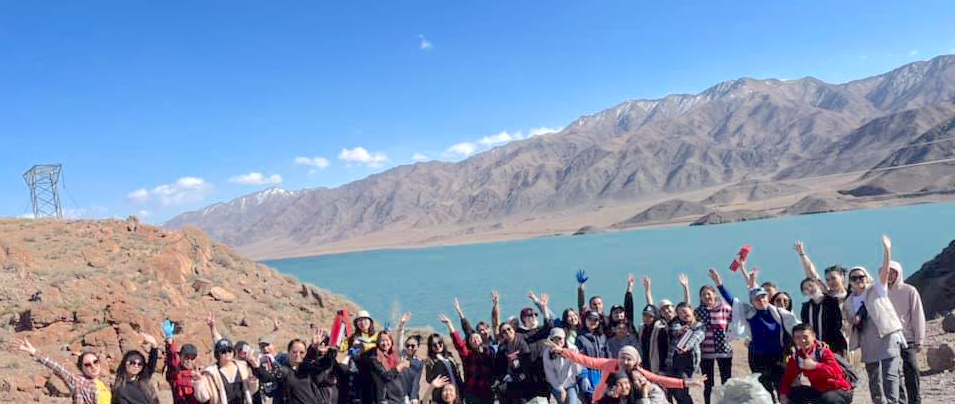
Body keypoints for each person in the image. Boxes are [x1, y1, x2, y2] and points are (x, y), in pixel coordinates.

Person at [711, 263, 799, 402]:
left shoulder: (780, 313)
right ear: (752, 302)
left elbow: (798, 326)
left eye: (763, 297)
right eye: (757, 299)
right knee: (764, 389)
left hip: (778, 357)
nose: (761, 300)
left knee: (783, 388)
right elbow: (732, 301)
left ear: (767, 298)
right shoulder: (749, 313)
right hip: (757, 357)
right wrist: (719, 284)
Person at [843, 236, 907, 404]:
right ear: (849, 282)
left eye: (861, 276)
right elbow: (849, 320)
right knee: (874, 378)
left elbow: (885, 270)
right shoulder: (849, 301)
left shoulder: (877, 289)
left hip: (886, 336)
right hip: (867, 341)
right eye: (854, 278)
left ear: (867, 277)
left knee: (890, 375)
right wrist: (853, 320)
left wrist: (887, 249)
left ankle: (894, 402)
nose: (858, 280)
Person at [545, 342, 704, 402]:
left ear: (635, 361)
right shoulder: (610, 364)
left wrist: (687, 383)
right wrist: (563, 351)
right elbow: (584, 360)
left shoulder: (638, 372)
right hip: (603, 399)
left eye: (629, 359)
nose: (625, 362)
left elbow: (660, 379)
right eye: (622, 358)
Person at [249, 327, 341, 404]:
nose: (298, 355)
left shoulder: (307, 368)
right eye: (294, 352)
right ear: (288, 353)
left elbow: (325, 364)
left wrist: (332, 349)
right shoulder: (284, 371)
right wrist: (256, 366)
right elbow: (267, 377)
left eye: (301, 352)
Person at [16, 337, 112, 404]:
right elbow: (58, 368)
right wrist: (34, 352)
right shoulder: (79, 382)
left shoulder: (102, 384)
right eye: (87, 364)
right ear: (82, 369)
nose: (93, 366)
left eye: (95, 362)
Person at [778, 324, 853, 404]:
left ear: (813, 336)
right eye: (798, 338)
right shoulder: (797, 357)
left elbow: (837, 374)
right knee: (792, 394)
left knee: (828, 399)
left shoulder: (823, 351)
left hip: (840, 390)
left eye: (805, 337)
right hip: (820, 390)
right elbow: (788, 377)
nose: (802, 340)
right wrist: (783, 394)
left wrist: (815, 366)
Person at [886, 260, 926, 404]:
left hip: (907, 338)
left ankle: (915, 401)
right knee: (893, 373)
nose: (890, 275)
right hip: (888, 339)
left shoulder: (909, 290)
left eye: (893, 272)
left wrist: (919, 339)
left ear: (898, 273)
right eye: (887, 272)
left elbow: (917, 315)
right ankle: (901, 401)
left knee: (912, 369)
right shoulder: (880, 292)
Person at [693, 278, 733, 404]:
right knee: (708, 384)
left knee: (726, 381)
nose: (706, 296)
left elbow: (735, 322)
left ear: (714, 294)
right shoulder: (698, 312)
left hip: (724, 351)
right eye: (703, 294)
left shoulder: (725, 308)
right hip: (706, 352)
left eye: (708, 293)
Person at [442, 313, 496, 404]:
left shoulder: (489, 352)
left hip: (487, 390)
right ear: (469, 343)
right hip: (472, 392)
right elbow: (458, 342)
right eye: (472, 339)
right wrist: (450, 325)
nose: (475, 340)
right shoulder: (467, 354)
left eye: (477, 338)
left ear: (481, 339)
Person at [195, 338, 260, 404]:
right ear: (217, 354)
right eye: (223, 351)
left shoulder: (242, 366)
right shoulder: (210, 373)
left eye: (229, 350)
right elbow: (203, 398)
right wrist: (198, 382)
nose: (227, 353)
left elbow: (251, 391)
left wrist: (253, 381)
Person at [798, 277, 847, 356]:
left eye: (811, 285)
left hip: (835, 348)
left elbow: (838, 325)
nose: (809, 289)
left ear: (819, 285)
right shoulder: (805, 308)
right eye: (805, 289)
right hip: (815, 349)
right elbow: (806, 328)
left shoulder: (833, 302)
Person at [667, 303, 705, 404]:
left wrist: (686, 347)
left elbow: (697, 337)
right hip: (672, 363)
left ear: (691, 310)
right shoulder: (678, 324)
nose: (683, 315)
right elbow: (674, 330)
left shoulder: (699, 326)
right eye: (679, 313)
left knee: (681, 392)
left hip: (687, 366)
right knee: (672, 390)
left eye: (684, 311)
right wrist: (680, 331)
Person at [362, 331, 413, 404]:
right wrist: (400, 366)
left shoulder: (395, 356)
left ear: (391, 341)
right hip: (385, 398)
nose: (385, 343)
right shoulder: (375, 358)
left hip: (399, 397)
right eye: (382, 341)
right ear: (378, 343)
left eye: (387, 340)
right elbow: (386, 376)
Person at [113, 333, 161, 404]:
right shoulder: (120, 389)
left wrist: (154, 344)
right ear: (125, 363)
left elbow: (152, 362)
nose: (136, 366)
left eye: (139, 364)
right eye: (132, 362)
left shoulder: (143, 381)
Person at [495, 321, 534, 404]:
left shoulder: (521, 342)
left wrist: (520, 375)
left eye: (508, 329)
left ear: (513, 329)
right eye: (504, 331)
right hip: (509, 378)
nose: (507, 332)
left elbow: (527, 361)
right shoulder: (501, 348)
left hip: (523, 377)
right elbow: (499, 366)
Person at [576, 310, 610, 403]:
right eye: (589, 319)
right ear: (585, 320)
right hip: (589, 373)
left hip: (603, 373)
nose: (592, 322)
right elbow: (579, 360)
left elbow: (608, 356)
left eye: (595, 320)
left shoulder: (603, 337)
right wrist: (584, 376)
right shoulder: (580, 338)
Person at [543, 328, 583, 404]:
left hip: (570, 384)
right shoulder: (547, 353)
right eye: (554, 339)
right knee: (562, 401)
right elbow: (550, 375)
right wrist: (561, 390)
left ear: (564, 338)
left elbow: (577, 371)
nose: (558, 341)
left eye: (560, 338)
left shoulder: (573, 349)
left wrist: (574, 360)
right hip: (556, 385)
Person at [424, 329, 463, 404]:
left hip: (455, 393)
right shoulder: (430, 361)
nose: (438, 346)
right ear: (430, 346)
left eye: (440, 343)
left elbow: (457, 374)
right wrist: (437, 382)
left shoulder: (449, 356)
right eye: (434, 345)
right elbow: (429, 379)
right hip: (441, 395)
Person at [636, 304, 667, 375]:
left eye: (650, 316)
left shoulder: (661, 329)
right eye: (645, 315)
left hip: (658, 368)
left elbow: (663, 351)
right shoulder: (641, 328)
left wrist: (662, 369)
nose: (647, 318)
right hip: (644, 366)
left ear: (655, 317)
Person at [400, 335, 424, 404]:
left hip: (410, 397)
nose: (410, 348)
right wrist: (401, 326)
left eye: (413, 346)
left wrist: (414, 397)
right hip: (398, 395)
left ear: (417, 346)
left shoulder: (419, 362)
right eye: (407, 345)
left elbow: (416, 381)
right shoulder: (401, 355)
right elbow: (399, 339)